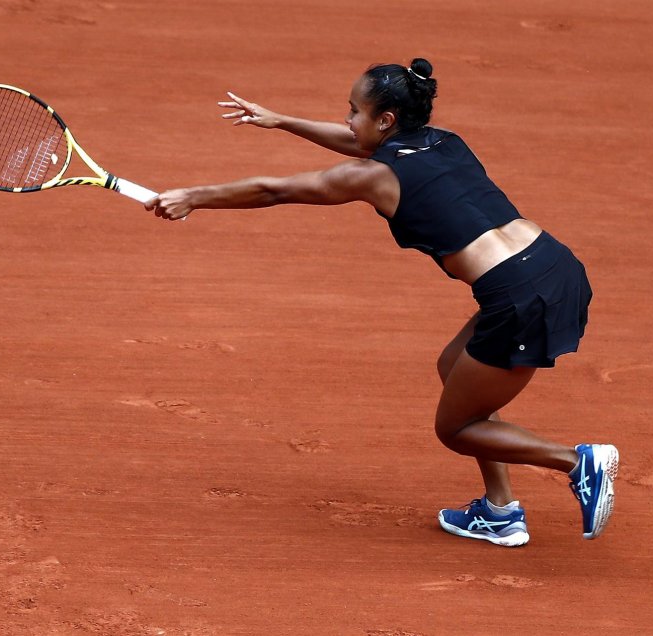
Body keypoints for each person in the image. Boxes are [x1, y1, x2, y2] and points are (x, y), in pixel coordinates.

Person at [145, 58, 618, 547]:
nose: (348, 120)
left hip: (518, 296)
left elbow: (274, 190)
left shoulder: (374, 177)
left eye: (354, 110)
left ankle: (576, 461)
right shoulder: (445, 140)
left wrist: (193, 196)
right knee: (453, 365)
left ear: (386, 119)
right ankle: (499, 511)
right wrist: (281, 120)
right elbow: (362, 143)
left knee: (457, 428)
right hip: (554, 263)